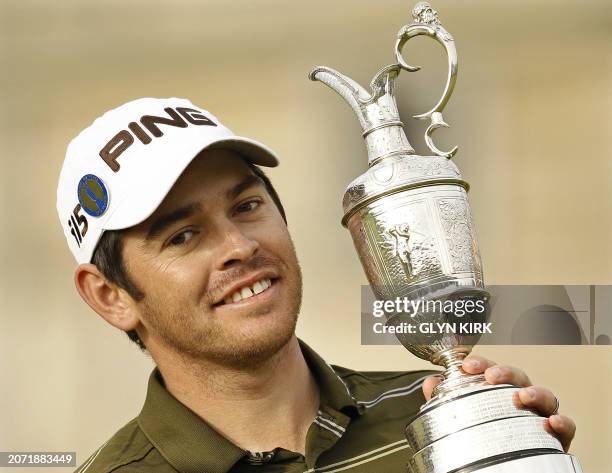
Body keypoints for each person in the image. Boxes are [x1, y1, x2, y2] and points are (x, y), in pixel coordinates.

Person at [57, 97, 576, 473]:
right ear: (111, 296)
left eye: (247, 206)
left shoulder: (425, 409)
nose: (239, 245)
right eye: (183, 236)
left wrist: (523, 453)